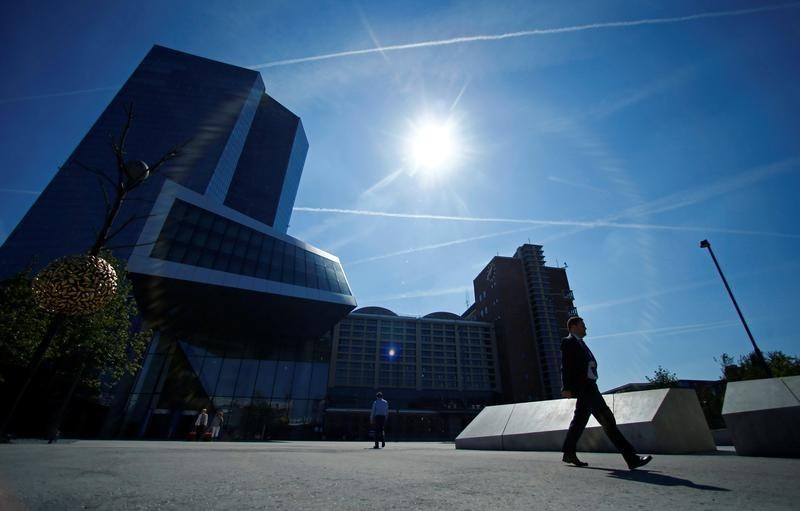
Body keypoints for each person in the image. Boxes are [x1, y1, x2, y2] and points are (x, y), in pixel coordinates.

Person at [561, 316, 653, 470]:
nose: (586, 328)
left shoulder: (582, 344)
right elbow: (565, 365)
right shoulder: (568, 342)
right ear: (574, 326)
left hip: (590, 387)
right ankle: (631, 458)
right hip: (585, 389)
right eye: (583, 325)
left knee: (578, 422)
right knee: (608, 420)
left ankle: (568, 452)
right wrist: (566, 387)